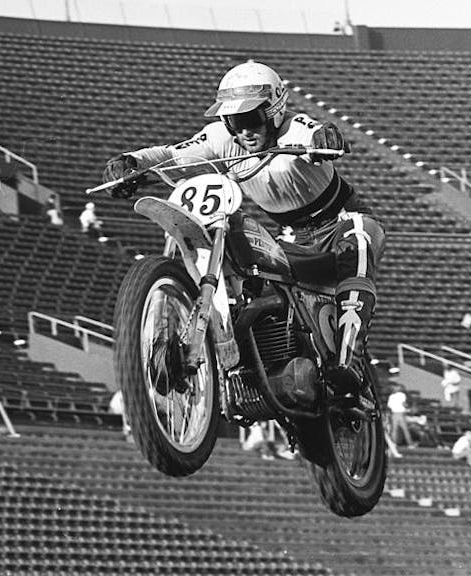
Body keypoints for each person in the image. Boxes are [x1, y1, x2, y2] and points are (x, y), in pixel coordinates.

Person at [102, 61, 384, 402]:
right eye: (235, 121)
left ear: (274, 111)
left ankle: (348, 360)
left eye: (252, 118)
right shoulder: (221, 139)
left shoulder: (294, 129)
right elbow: (174, 155)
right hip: (292, 236)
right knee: (258, 278)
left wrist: (325, 137)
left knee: (358, 245)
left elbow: (312, 131)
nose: (245, 131)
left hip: (342, 220)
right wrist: (132, 162)